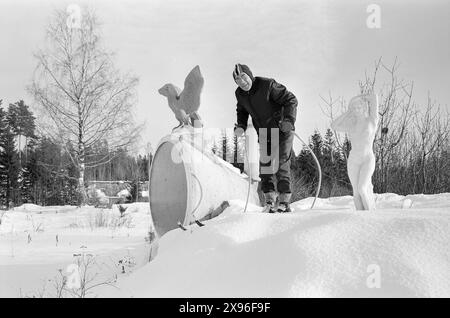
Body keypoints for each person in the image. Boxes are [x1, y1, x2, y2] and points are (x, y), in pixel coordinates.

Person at [232, 63, 298, 213]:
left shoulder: (267, 85)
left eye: (243, 77)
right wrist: (241, 125)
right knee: (266, 166)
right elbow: (241, 110)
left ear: (250, 75)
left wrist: (288, 120)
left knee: (281, 162)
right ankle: (269, 200)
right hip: (264, 132)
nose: (242, 82)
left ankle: (284, 201)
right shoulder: (240, 94)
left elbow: (291, 99)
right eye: (237, 80)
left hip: (282, 129)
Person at [331, 93, 378, 210]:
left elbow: (374, 98)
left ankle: (371, 216)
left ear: (364, 108)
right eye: (354, 108)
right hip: (353, 160)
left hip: (367, 158)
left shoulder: (372, 121)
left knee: (362, 188)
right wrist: (348, 112)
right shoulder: (352, 125)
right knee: (356, 192)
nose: (356, 110)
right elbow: (334, 125)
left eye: (359, 107)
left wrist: (366, 97)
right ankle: (359, 219)